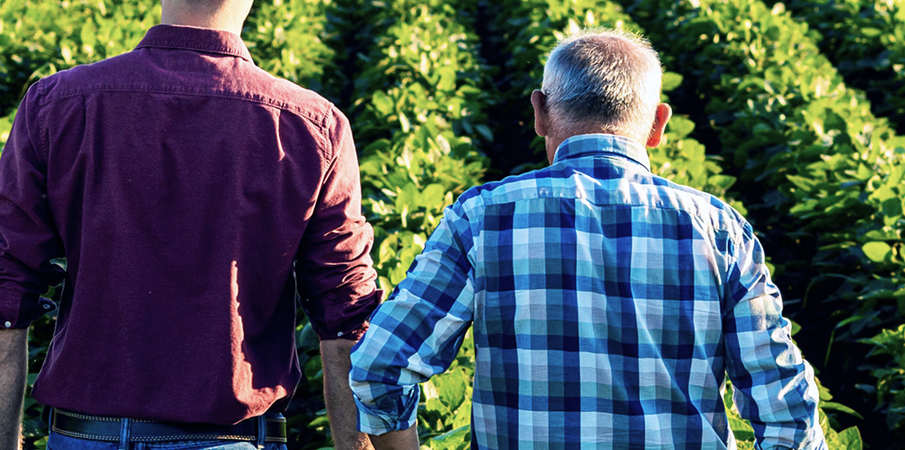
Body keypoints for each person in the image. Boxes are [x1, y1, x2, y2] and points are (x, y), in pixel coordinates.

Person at [0, 0, 383, 450]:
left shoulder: (57, 106)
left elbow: (1, 301)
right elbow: (346, 320)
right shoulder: (312, 127)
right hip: (235, 441)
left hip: (83, 437)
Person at [348, 30, 830, 450]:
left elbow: (381, 366)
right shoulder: (719, 229)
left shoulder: (482, 217)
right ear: (659, 123)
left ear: (538, 111)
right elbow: (786, 409)